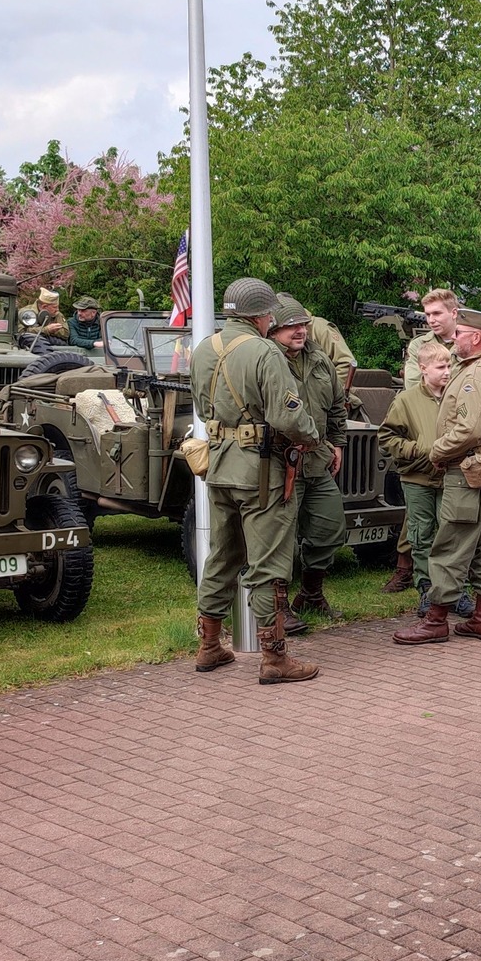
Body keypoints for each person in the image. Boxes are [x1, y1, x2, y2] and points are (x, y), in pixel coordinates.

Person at [189, 277, 320, 684]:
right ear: (263, 315)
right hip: (261, 472)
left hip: (218, 466)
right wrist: (313, 436)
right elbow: (286, 416)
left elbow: (202, 408)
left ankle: (209, 645)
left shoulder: (204, 348)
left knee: (222, 556)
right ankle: (275, 658)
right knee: (269, 565)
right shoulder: (264, 351)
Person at [393, 309, 481, 645]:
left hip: (467, 468)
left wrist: (437, 451)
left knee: (450, 543)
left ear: (476, 337)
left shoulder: (477, 373)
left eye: (459, 332)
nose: (453, 337)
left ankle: (435, 620)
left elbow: (469, 428)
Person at [271, 295, 347, 636]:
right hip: (281, 463)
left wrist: (338, 444)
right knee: (280, 539)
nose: (300, 331)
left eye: (303, 324)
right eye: (291, 326)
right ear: (273, 330)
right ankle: (277, 607)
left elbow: (337, 406)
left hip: (317, 461)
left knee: (330, 528)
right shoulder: (267, 359)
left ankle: (311, 594)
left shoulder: (319, 359)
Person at [379, 338, 451, 615]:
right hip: (417, 478)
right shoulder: (406, 400)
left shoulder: (455, 396)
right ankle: (426, 590)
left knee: (450, 534)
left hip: (449, 477)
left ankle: (453, 590)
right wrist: (416, 450)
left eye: (449, 366)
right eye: (440, 367)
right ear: (423, 368)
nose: (447, 372)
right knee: (421, 536)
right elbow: (386, 437)